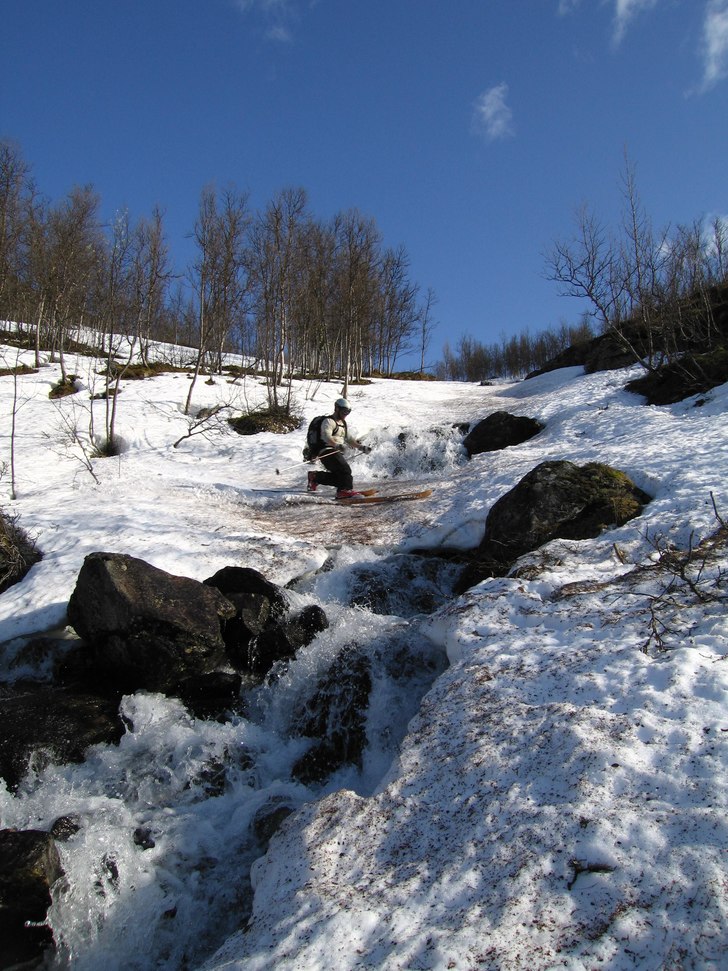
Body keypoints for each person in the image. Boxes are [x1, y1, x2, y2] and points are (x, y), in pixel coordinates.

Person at [307, 397, 371, 499]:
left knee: (340, 477)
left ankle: (315, 477)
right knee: (345, 470)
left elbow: (349, 439)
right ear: (337, 408)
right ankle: (344, 491)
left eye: (348, 412)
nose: (346, 414)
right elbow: (326, 436)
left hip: (335, 451)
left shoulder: (343, 424)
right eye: (344, 411)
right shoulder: (329, 421)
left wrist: (362, 447)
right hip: (327, 451)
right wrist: (336, 445)